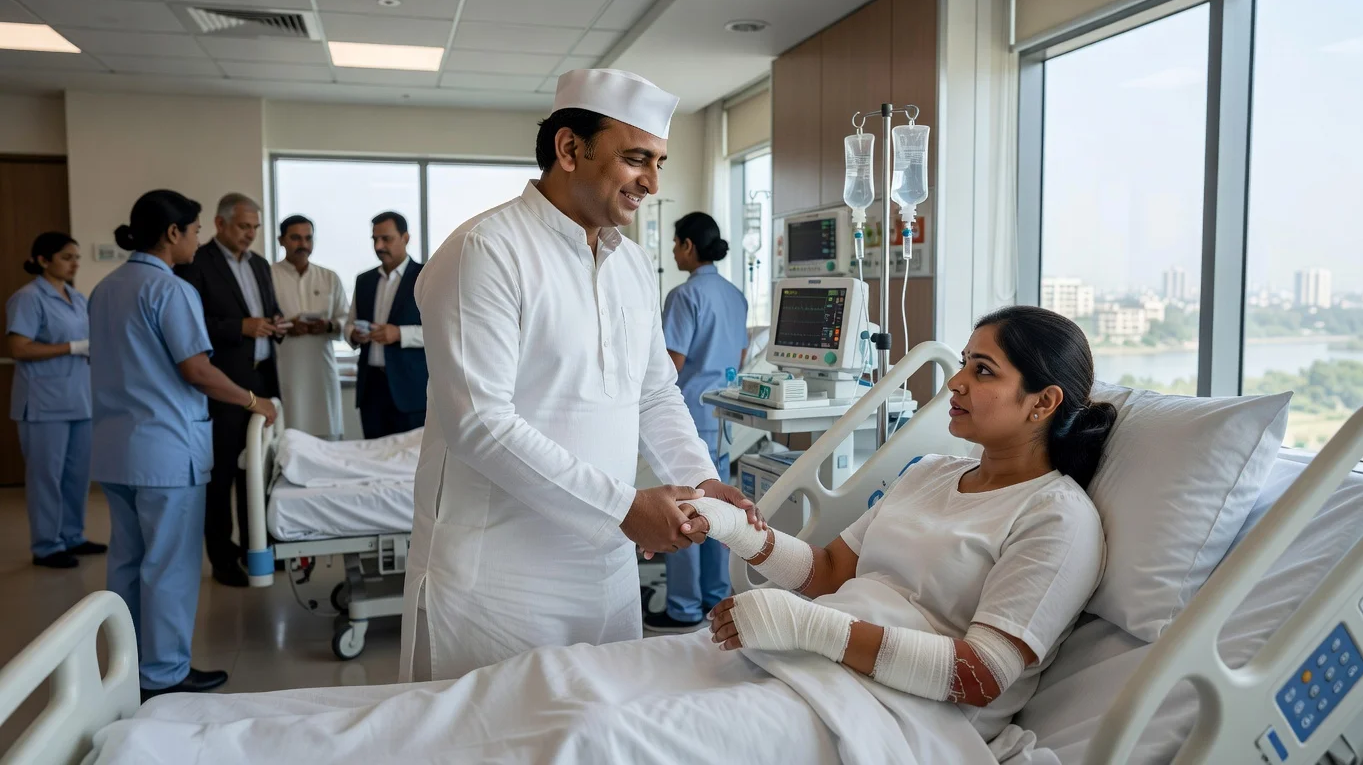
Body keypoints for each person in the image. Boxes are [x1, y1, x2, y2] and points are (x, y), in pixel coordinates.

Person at [92, 307, 1112, 761]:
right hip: (800, 658)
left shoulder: (1054, 518)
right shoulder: (935, 474)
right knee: (548, 682)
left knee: (597, 740)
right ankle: (188, 741)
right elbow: (831, 568)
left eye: (983, 370)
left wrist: (808, 630)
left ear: (1043, 402)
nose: (957, 383)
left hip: (895, 720)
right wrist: (743, 536)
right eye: (962, 361)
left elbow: (981, 676)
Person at [403, 68, 760, 681]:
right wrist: (624, 508)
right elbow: (480, 423)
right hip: (499, 584)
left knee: (602, 725)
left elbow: (654, 393)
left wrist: (699, 479)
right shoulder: (486, 251)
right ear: (569, 148)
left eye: (660, 163)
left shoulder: (631, 265)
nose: (652, 182)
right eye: (636, 159)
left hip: (608, 575)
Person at [90, 189, 277, 700]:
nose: (198, 240)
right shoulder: (170, 290)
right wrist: (253, 400)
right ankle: (165, 673)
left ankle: (126, 669)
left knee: (127, 563)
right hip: (165, 451)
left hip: (115, 448)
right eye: (194, 231)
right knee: (169, 565)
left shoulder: (105, 288)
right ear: (172, 233)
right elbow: (196, 370)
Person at [644, 212, 748, 633]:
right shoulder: (735, 295)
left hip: (685, 417)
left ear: (688, 245)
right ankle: (715, 597)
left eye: (676, 243)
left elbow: (669, 367)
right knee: (716, 506)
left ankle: (683, 607)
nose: (673, 251)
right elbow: (740, 357)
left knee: (684, 505)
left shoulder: (684, 296)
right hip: (723, 417)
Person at [175, 192, 285, 588]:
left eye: (255, 227)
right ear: (220, 224)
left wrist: (275, 322)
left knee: (259, 469)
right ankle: (223, 559)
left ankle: (259, 547)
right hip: (221, 384)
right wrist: (240, 327)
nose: (250, 234)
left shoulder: (259, 264)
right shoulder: (195, 263)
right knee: (221, 475)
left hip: (262, 377)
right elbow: (190, 324)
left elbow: (267, 309)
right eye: (243, 226)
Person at [5, 232, 103, 569]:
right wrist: (72, 347)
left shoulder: (77, 298)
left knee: (77, 476)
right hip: (43, 404)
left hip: (79, 398)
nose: (74, 264)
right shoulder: (28, 298)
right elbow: (19, 348)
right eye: (66, 257)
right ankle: (47, 546)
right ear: (43, 260)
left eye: (76, 257)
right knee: (46, 478)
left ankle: (73, 536)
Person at [344, 211, 427, 440]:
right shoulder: (364, 280)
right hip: (371, 389)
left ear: (405, 238)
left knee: (409, 458)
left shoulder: (425, 276)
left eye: (386, 239)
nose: (379, 246)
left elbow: (442, 331)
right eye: (375, 239)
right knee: (372, 454)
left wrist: (399, 334)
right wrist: (354, 334)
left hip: (410, 390)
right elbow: (349, 324)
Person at [271, 215, 349, 439]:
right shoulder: (268, 275)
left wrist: (328, 325)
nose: (303, 244)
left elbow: (345, 319)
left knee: (327, 430)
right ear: (281, 240)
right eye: (296, 238)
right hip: (285, 367)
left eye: (308, 238)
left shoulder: (329, 277)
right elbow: (262, 321)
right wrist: (289, 326)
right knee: (290, 433)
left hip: (321, 369)